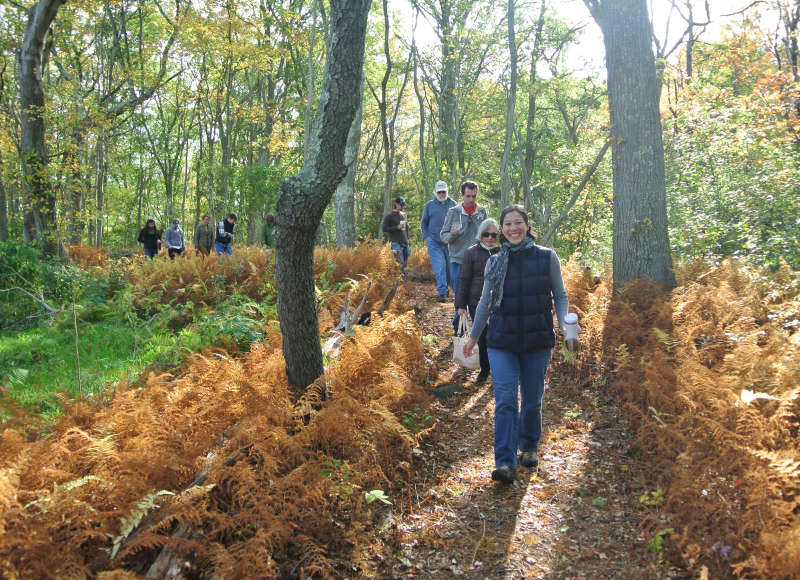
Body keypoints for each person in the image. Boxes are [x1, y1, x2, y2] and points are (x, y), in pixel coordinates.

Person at [463, 205, 569, 485]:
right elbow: (485, 303)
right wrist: (474, 337)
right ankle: (505, 461)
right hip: (502, 340)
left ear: (526, 225)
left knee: (532, 399)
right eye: (507, 224)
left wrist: (563, 323)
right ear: (501, 230)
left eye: (517, 223)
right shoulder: (494, 262)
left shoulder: (547, 257)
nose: (513, 228)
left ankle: (530, 445)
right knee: (506, 400)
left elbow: (560, 294)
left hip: (537, 339)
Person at [455, 218, 500, 382]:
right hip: (476, 301)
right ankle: (485, 369)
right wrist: (461, 304)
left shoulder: (502, 252)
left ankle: (497, 369)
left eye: (493, 235)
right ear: (481, 234)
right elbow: (464, 279)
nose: (489, 238)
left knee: (496, 336)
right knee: (481, 336)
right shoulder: (471, 252)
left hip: (497, 302)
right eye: (486, 234)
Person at [440, 181, 488, 331]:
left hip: (478, 262)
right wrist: (453, 235)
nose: (471, 199)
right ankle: (459, 330)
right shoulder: (453, 212)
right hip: (458, 261)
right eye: (468, 196)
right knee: (460, 297)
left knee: (476, 297)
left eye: (474, 196)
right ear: (462, 195)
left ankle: (478, 332)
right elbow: (443, 236)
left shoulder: (481, 212)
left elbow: (487, 235)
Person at [420, 180, 456, 302]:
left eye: (443, 191)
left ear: (447, 191)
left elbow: (458, 222)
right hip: (434, 242)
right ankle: (442, 292)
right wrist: (427, 237)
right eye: (439, 192)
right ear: (435, 192)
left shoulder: (453, 204)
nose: (441, 194)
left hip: (450, 243)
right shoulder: (429, 206)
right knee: (439, 267)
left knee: (450, 269)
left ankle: (454, 291)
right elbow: (423, 223)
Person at [382, 197, 409, 275]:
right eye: (402, 205)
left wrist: (408, 238)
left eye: (404, 205)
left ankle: (401, 276)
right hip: (395, 241)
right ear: (396, 204)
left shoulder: (403, 215)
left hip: (404, 241)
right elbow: (384, 229)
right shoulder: (389, 216)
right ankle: (401, 279)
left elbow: (406, 227)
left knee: (406, 260)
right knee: (399, 261)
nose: (403, 207)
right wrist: (396, 227)